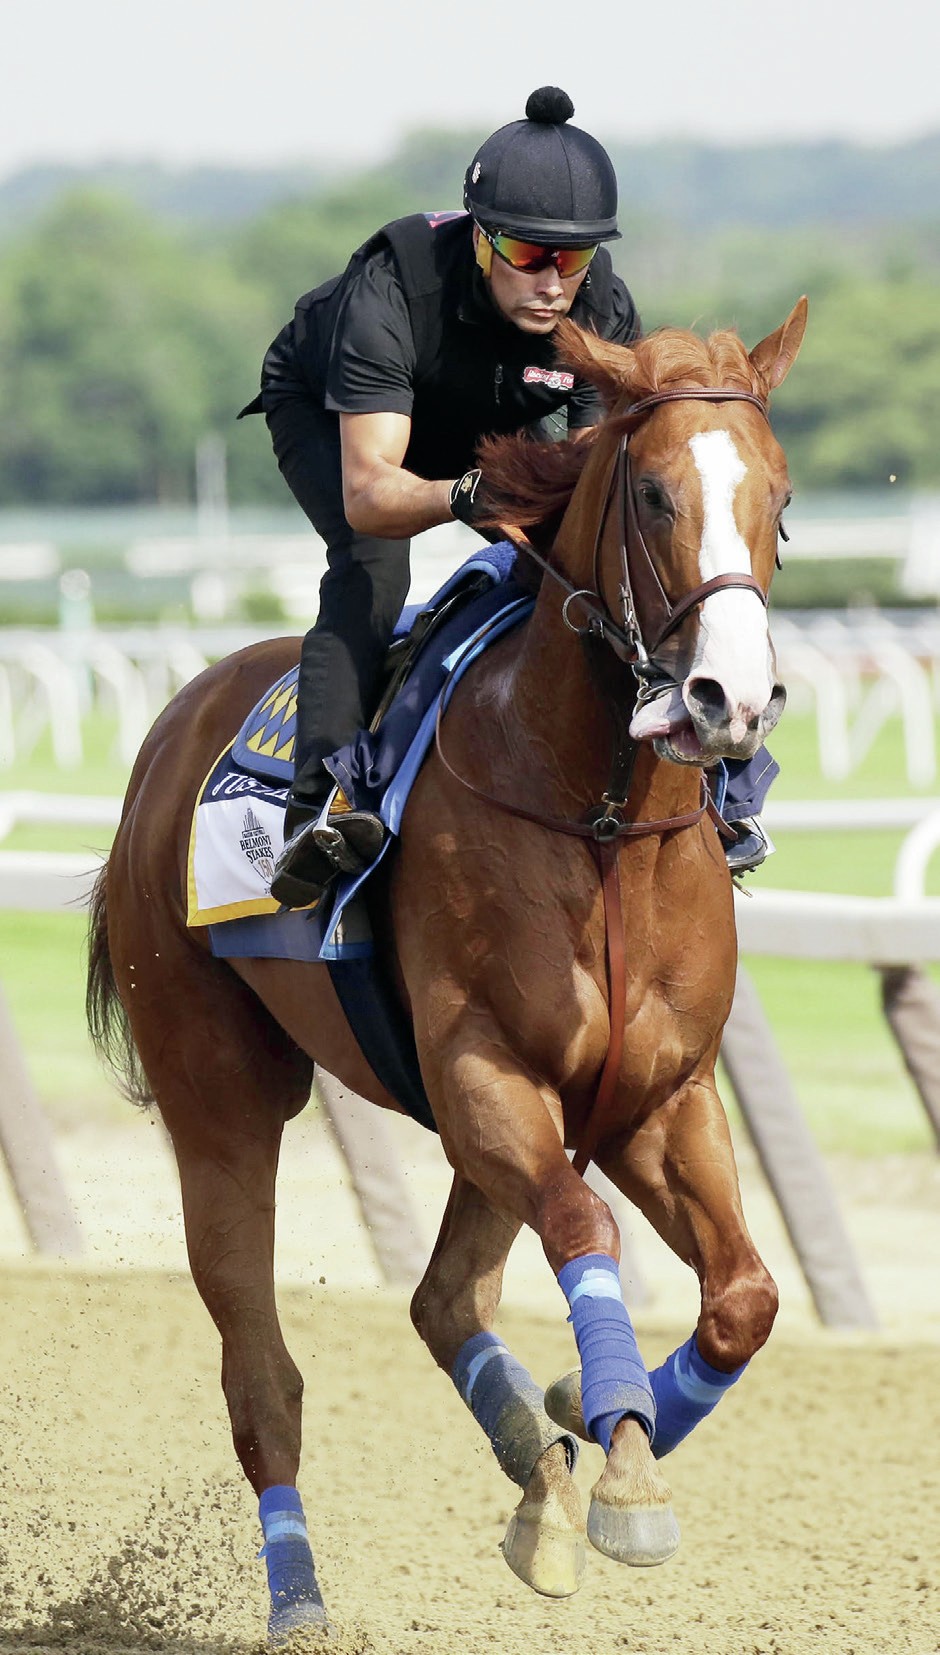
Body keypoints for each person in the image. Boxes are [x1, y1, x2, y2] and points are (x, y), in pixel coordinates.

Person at [248, 86, 770, 909]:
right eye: (529, 255)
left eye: (574, 258)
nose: (554, 282)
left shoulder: (601, 306)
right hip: (347, 425)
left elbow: (601, 488)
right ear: (481, 241)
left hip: (486, 419)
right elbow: (372, 492)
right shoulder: (388, 295)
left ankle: (722, 783)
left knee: (594, 562)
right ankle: (319, 807)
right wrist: (467, 493)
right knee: (371, 569)